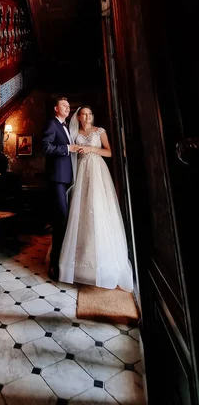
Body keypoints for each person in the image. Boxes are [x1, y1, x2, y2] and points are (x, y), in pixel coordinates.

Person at [59, 106, 133, 292]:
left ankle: (105, 265)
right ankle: (82, 266)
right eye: (84, 114)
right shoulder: (75, 133)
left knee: (99, 209)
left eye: (90, 113)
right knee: (82, 212)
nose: (87, 116)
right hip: (83, 172)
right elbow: (71, 152)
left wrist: (91, 149)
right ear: (79, 117)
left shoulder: (100, 131)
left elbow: (109, 152)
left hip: (98, 172)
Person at [42, 97, 80, 279]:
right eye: (64, 105)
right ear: (56, 108)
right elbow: (45, 147)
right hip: (56, 178)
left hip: (66, 179)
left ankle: (63, 262)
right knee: (61, 220)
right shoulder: (52, 124)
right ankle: (55, 265)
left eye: (68, 105)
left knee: (64, 219)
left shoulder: (66, 127)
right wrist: (67, 148)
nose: (68, 107)